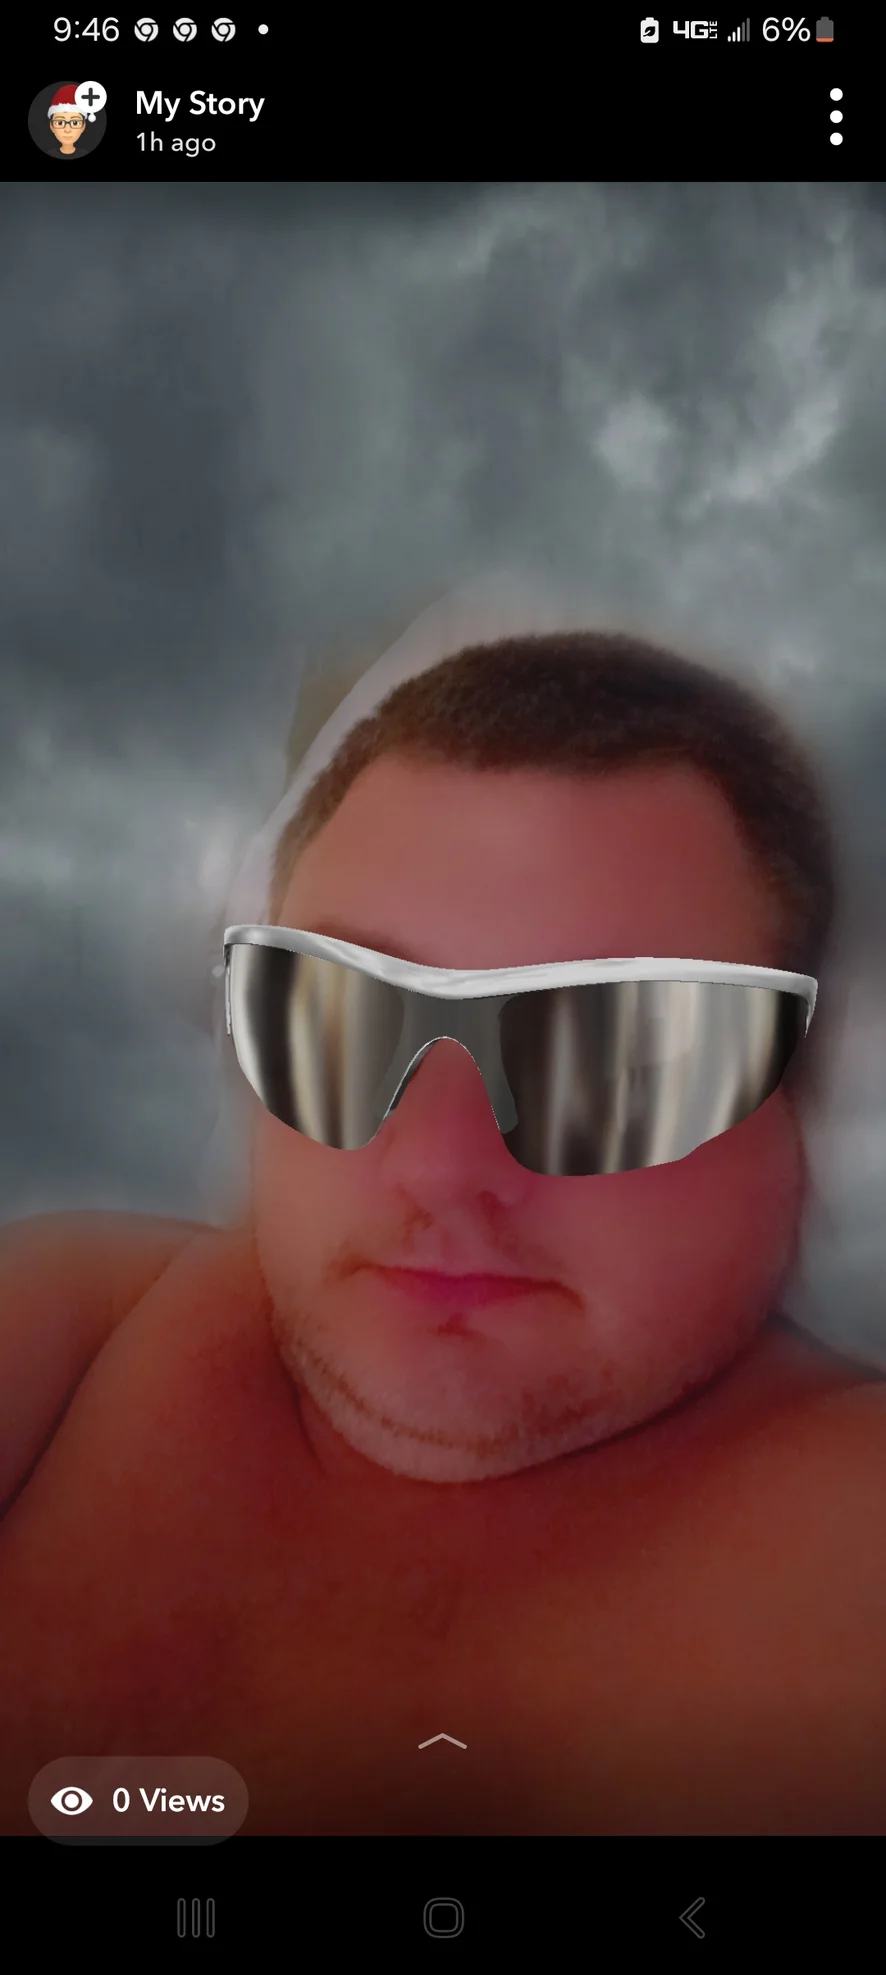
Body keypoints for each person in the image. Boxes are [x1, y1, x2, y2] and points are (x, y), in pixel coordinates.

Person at [1, 615, 884, 1839]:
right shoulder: (76, 1331)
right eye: (337, 1018)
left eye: (611, 1056)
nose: (439, 1167)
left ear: (802, 1107)